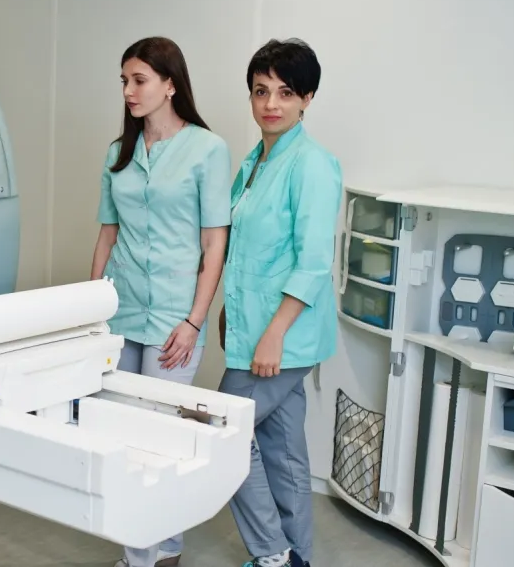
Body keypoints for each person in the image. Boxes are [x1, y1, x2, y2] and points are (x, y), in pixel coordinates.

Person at [91, 36, 231, 567]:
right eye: (124, 81)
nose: (128, 91)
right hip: (121, 310)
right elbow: (106, 235)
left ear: (170, 84)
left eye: (139, 80)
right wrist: (92, 310)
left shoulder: (207, 149)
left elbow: (214, 242)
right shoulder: (117, 154)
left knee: (161, 440)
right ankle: (143, 551)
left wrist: (195, 321)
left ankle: (156, 552)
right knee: (121, 435)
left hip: (175, 317)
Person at [218, 38, 342, 567]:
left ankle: (271, 553)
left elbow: (313, 262)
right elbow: (245, 250)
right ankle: (296, 560)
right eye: (261, 91)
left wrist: (273, 333)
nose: (271, 103)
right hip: (254, 327)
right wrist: (231, 310)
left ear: (307, 98)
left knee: (221, 432)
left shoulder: (312, 165)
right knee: (283, 450)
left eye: (286, 92)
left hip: (284, 335)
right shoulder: (254, 163)